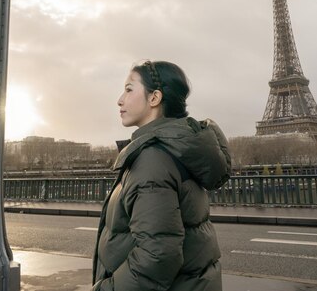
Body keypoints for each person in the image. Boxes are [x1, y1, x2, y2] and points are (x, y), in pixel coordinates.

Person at [92, 60, 232, 291]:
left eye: (129, 89)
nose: (120, 99)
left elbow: (157, 255)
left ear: (154, 98)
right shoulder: (174, 150)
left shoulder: (152, 159)